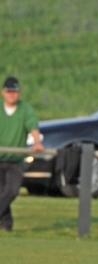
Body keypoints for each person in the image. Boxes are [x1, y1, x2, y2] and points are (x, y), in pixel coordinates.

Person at [0, 76, 44, 232]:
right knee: (1, 192)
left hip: (15, 160)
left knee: (11, 191)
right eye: (9, 92)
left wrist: (37, 142)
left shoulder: (25, 109)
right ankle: (6, 226)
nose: (12, 95)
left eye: (15, 92)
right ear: (3, 92)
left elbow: (33, 126)